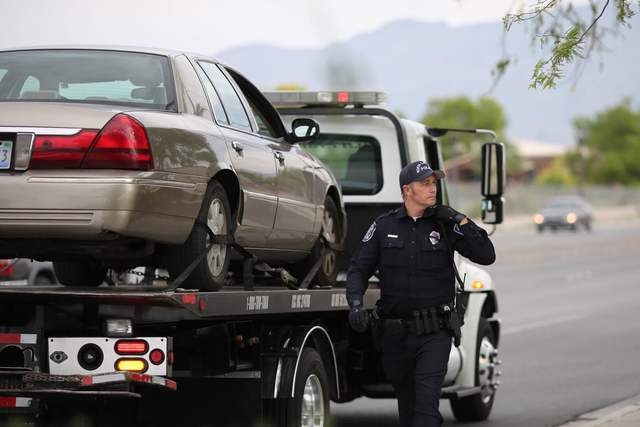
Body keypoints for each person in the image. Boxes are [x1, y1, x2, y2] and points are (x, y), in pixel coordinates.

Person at [346, 160, 496, 427]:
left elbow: (487, 255)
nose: (432, 188)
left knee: (426, 409)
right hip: (395, 336)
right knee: (409, 408)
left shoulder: (445, 225)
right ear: (407, 190)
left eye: (434, 182)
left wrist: (459, 218)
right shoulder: (384, 226)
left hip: (434, 334)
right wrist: (356, 304)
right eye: (425, 183)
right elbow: (358, 270)